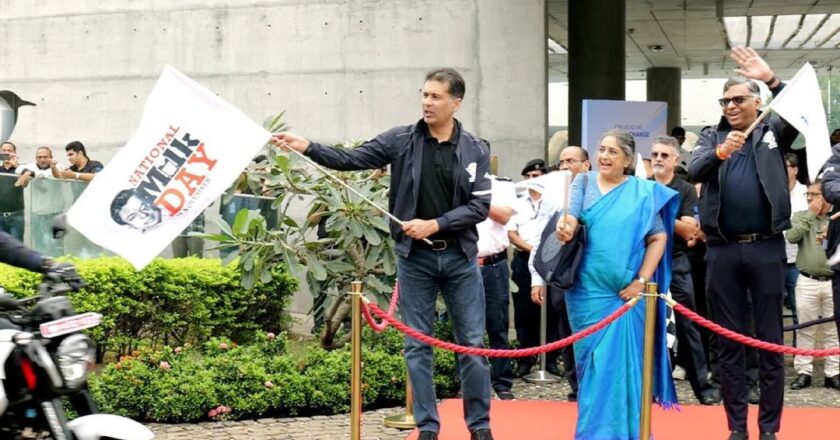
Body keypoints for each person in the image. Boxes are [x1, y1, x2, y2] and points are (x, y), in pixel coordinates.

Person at [273, 68, 494, 440]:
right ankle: (427, 427)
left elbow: (479, 208)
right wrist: (308, 146)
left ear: (456, 103)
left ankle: (480, 426)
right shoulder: (401, 139)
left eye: (436, 96)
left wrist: (435, 224)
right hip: (415, 261)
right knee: (416, 346)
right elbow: (351, 158)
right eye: (424, 94)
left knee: (471, 345)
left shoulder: (476, 148)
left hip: (460, 258)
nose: (427, 102)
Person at [688, 46, 802, 440]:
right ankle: (737, 428)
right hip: (722, 250)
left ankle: (769, 429)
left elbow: (797, 119)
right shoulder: (711, 136)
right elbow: (694, 169)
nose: (731, 106)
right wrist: (721, 151)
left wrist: (772, 79)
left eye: (739, 99)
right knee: (729, 344)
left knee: (770, 342)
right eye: (726, 100)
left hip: (767, 247)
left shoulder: (773, 131)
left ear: (756, 102)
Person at [555, 129, 678, 439]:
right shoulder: (582, 182)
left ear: (627, 159)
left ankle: (628, 433)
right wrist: (565, 227)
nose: (604, 157)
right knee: (593, 365)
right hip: (586, 292)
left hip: (626, 297)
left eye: (612, 152)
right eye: (601, 149)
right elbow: (571, 218)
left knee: (624, 368)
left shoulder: (642, 192)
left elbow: (658, 237)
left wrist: (641, 281)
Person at [650, 136, 721, 405]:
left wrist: (658, 214)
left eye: (664, 155)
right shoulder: (640, 187)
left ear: (675, 160)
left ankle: (702, 386)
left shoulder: (686, 190)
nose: (658, 159)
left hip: (676, 264)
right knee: (645, 328)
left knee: (688, 326)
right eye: (655, 154)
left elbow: (690, 229)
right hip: (644, 264)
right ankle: (650, 386)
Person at [509, 158, 562, 378]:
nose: (533, 180)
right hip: (524, 258)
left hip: (551, 260)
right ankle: (525, 358)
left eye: (537, 176)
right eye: (529, 176)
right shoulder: (516, 202)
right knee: (524, 311)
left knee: (551, 310)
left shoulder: (555, 202)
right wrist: (533, 250)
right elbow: (512, 234)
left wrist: (543, 254)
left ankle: (549, 359)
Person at [786, 180, 839, 390]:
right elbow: (791, 236)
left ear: (827, 195)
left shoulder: (836, 218)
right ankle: (803, 371)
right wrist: (810, 214)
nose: (809, 198)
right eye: (807, 194)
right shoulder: (801, 216)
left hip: (832, 281)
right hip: (807, 280)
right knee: (804, 328)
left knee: (833, 329)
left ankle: (833, 373)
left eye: (815, 194)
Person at [475, 173, 517, 400]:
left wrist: (476, 198)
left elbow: (503, 216)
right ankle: (470, 383)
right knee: (465, 329)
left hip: (493, 265)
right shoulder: (454, 179)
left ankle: (502, 382)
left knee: (497, 324)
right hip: (464, 265)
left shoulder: (502, 185)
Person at [18, 147, 67, 256]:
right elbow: (18, 169)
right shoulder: (30, 167)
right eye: (39, 157)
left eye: (45, 157)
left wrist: (33, 174)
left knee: (58, 245)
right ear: (36, 158)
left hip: (58, 214)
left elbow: (56, 176)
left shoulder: (59, 166)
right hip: (37, 214)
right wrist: (28, 172)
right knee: (39, 246)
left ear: (51, 157)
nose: (42, 159)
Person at [783, 154, 808, 320]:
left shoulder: (808, 194)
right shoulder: (766, 192)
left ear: (795, 169)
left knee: (800, 312)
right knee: (769, 312)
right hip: (772, 260)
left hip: (797, 262)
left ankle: (798, 347)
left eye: (785, 167)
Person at [0, 141, 25, 241]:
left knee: (16, 248)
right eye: (4, 150)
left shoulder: (21, 169)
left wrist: (16, 166)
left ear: (14, 152)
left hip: (16, 216)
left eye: (9, 150)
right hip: (0, 215)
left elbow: (26, 181)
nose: (6, 153)